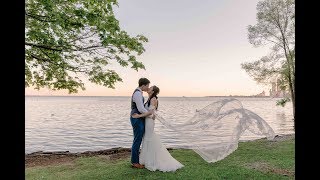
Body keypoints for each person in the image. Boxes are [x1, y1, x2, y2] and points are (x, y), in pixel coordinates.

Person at [132, 86, 184, 172]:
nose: (148, 88)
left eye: (150, 88)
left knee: (149, 138)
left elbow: (151, 113)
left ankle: (153, 161)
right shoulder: (150, 98)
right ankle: (146, 159)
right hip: (147, 121)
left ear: (153, 91)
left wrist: (139, 116)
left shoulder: (153, 99)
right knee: (147, 139)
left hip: (149, 122)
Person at [130, 78, 154, 169]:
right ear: (143, 85)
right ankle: (135, 162)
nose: (148, 87)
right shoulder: (137, 93)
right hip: (136, 117)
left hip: (138, 117)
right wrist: (150, 115)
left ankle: (136, 160)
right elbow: (140, 109)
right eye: (147, 85)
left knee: (138, 139)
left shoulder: (139, 93)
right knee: (137, 140)